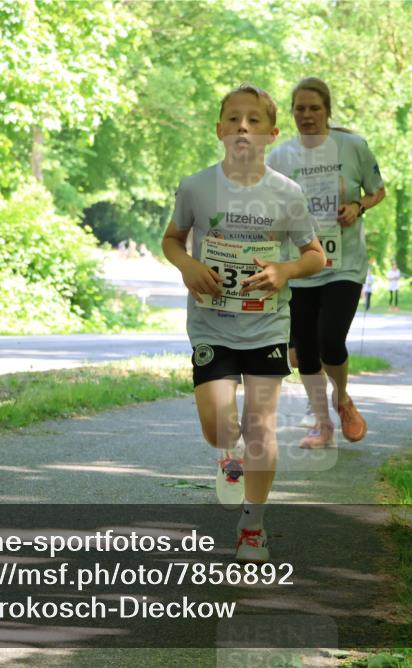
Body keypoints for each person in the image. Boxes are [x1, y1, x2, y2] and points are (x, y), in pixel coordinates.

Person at [162, 84, 325, 563]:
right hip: (212, 325)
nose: (243, 128)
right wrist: (187, 266)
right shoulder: (196, 187)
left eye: (254, 121)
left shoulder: (287, 193)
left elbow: (314, 255)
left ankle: (252, 526)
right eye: (233, 119)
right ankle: (227, 455)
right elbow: (173, 239)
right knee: (219, 428)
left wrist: (285, 271)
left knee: (262, 426)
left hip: (267, 324)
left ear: (272, 134)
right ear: (219, 129)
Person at [267, 76, 384, 448]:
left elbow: (377, 190)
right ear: (292, 113)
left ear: (327, 111)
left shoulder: (352, 147)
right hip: (301, 265)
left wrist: (358, 206)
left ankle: (343, 400)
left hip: (344, 262)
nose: (307, 115)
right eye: (299, 108)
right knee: (305, 351)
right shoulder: (281, 158)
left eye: (314, 108)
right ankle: (322, 424)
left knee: (331, 340)